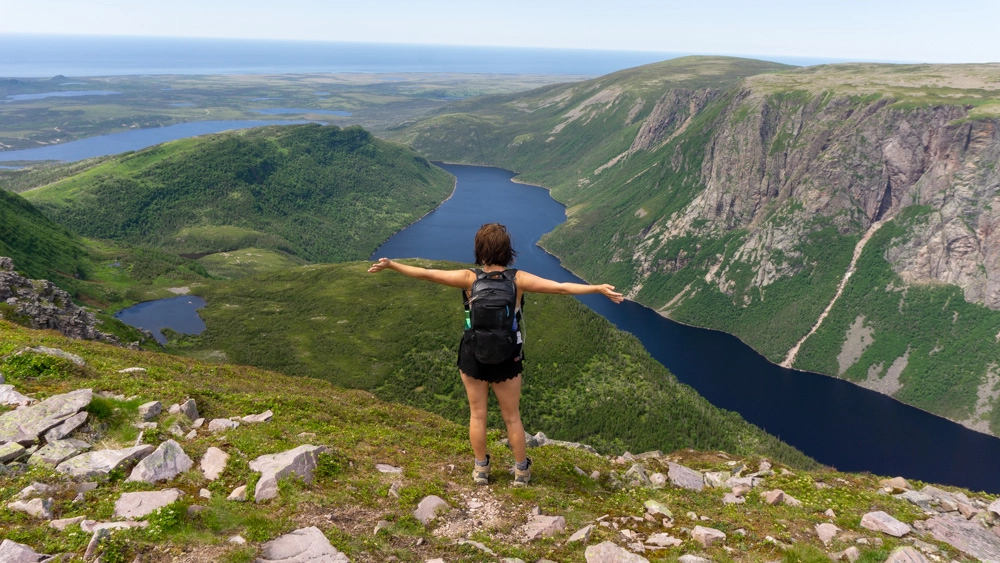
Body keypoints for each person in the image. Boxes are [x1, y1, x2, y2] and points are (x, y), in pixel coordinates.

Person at [368, 223, 623, 486]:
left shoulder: (469, 279)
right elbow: (560, 287)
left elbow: (427, 274)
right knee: (512, 417)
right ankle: (521, 472)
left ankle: (481, 470)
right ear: (507, 250)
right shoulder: (518, 280)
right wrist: (597, 288)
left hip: (472, 355)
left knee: (477, 414)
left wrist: (392, 265)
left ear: (480, 249)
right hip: (507, 356)